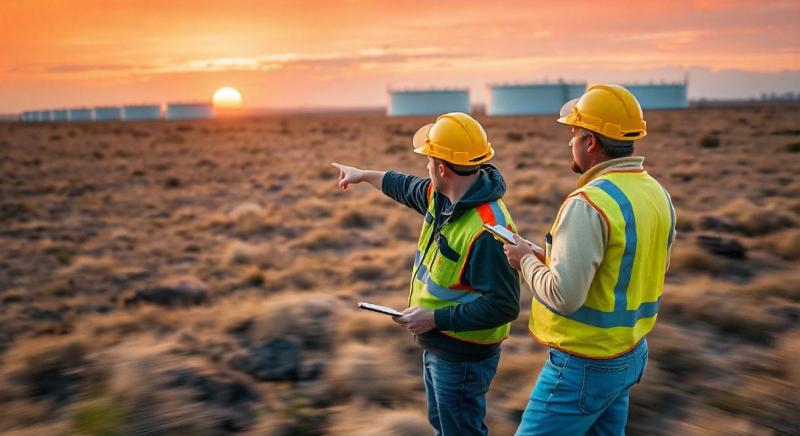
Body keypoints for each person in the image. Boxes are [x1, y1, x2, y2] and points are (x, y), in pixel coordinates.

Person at [503, 84, 676, 435]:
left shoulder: (589, 203)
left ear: (591, 141)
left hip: (584, 366)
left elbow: (564, 297)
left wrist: (524, 262)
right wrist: (540, 253)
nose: (570, 142)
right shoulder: (656, 193)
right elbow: (624, 266)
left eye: (574, 133)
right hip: (630, 353)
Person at [333, 112, 520, 436]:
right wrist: (362, 175)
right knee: (443, 427)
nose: (425, 167)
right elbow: (403, 185)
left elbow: (504, 306)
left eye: (428, 160)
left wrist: (433, 319)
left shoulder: (489, 229)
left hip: (462, 358)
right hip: (439, 345)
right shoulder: (444, 196)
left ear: (442, 167)